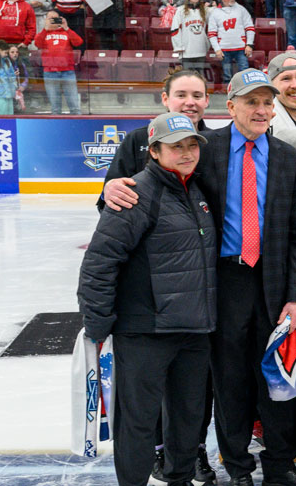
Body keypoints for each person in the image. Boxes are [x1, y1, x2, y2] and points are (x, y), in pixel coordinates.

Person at [104, 68, 296, 486]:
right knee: (229, 380)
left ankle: (277, 464)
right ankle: (237, 468)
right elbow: (157, 185)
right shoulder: (205, 150)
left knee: (276, 375)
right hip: (222, 282)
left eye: (267, 103)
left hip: (273, 283)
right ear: (230, 105)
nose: (261, 110)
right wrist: (111, 186)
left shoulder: (291, 158)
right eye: (251, 102)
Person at [78, 113, 215, 486]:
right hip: (144, 332)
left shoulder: (197, 191)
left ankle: (179, 478)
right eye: (176, 147)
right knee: (138, 422)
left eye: (191, 145)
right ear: (154, 151)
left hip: (193, 330)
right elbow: (99, 262)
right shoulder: (136, 194)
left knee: (188, 418)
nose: (187, 153)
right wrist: (98, 324)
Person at [99, 70, 214, 208]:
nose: (190, 102)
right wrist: (110, 189)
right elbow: (112, 198)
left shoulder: (217, 141)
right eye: (181, 95)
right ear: (165, 98)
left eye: (197, 96)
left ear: (206, 100)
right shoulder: (137, 139)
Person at [206, 0, 254, 84]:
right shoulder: (215, 13)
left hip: (241, 48)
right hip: (224, 50)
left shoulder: (241, 9)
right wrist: (217, 49)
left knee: (244, 75)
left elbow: (250, 28)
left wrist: (249, 44)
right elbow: (212, 34)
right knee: (227, 77)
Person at [35, 10, 80, 115]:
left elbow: (78, 42)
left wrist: (67, 28)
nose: (53, 21)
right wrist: (45, 29)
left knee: (74, 106)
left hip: (68, 72)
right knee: (55, 107)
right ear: (46, 20)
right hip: (50, 72)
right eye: (50, 18)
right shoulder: (43, 34)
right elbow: (38, 43)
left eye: (55, 18)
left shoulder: (66, 32)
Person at [170, 0, 213, 78]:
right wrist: (178, 46)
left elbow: (214, 25)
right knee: (187, 77)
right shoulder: (180, 10)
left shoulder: (206, 11)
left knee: (199, 77)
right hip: (186, 51)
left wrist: (208, 43)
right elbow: (175, 29)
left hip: (200, 50)